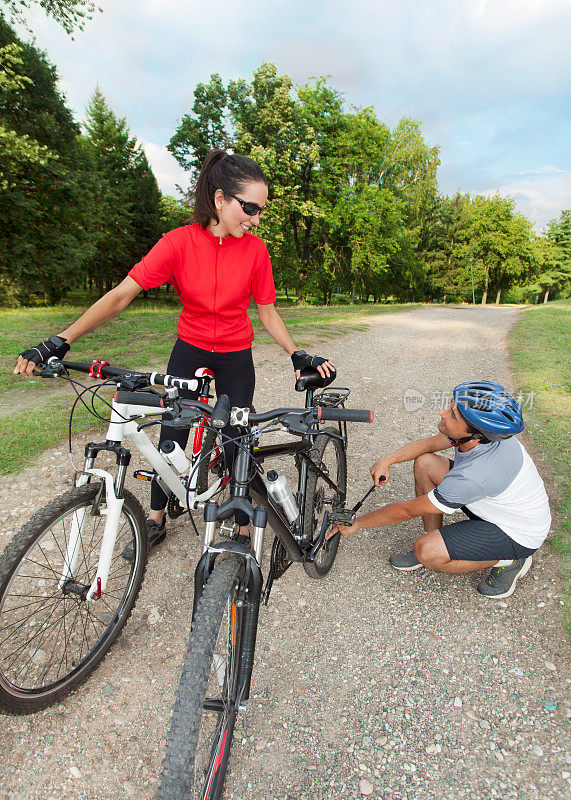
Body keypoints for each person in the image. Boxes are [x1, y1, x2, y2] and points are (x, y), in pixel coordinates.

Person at [14, 149, 334, 548]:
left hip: (235, 352)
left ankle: (242, 520)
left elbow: (267, 312)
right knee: (172, 432)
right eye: (250, 207)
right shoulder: (178, 243)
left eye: (261, 210)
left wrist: (296, 352)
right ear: (220, 199)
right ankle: (155, 517)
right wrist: (59, 340)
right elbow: (121, 295)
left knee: (237, 432)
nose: (256, 218)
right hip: (191, 349)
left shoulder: (255, 251)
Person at [329, 381, 551, 599]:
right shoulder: (483, 437)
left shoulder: (473, 476)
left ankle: (509, 559)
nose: (442, 412)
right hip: (495, 505)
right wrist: (389, 460)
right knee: (425, 463)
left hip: (517, 532)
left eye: (452, 415)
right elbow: (429, 445)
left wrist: (356, 524)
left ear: (476, 435)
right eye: (451, 406)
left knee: (426, 551)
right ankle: (436, 535)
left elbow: (407, 510)